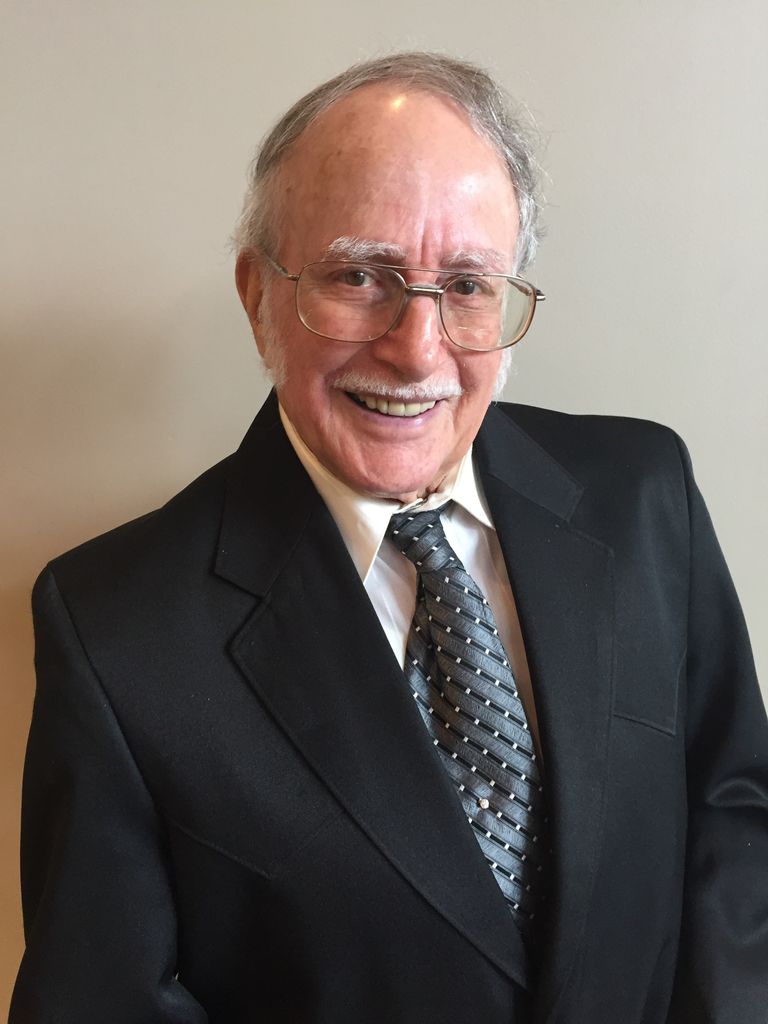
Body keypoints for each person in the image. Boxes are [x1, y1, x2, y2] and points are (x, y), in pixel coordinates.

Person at [11, 52, 767, 1024]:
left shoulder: (644, 495)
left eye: (468, 284)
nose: (417, 348)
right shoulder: (116, 630)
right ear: (258, 293)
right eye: (359, 275)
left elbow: (732, 817)